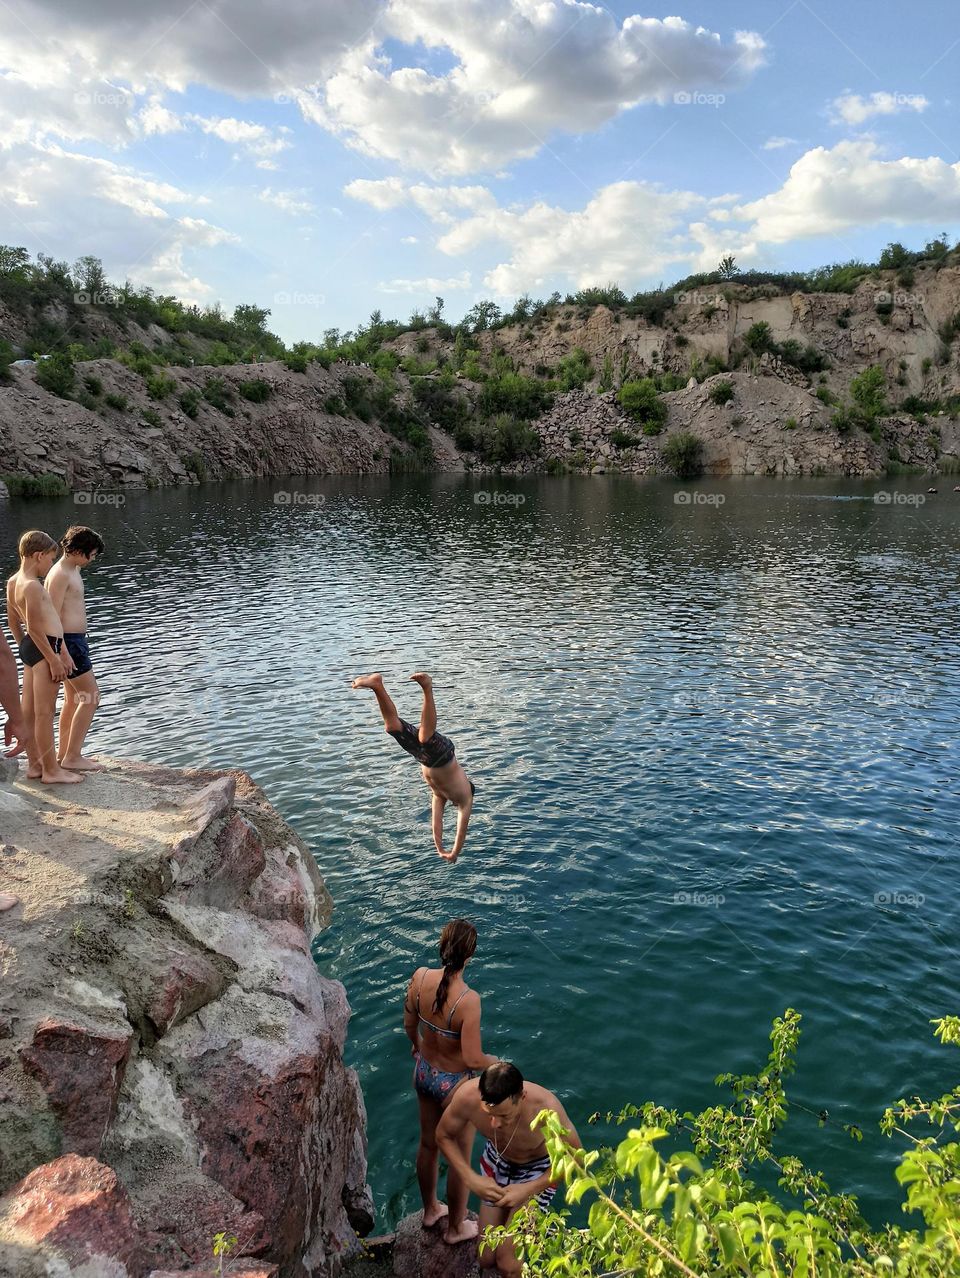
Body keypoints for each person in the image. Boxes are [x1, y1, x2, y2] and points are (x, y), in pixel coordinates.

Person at [437, 1061, 582, 1276]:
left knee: (508, 1264)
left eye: (504, 1116)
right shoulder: (468, 1096)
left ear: (521, 1097)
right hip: (496, 1161)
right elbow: (443, 1135)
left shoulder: (546, 1109)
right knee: (486, 1257)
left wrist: (529, 1189)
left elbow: (577, 1160)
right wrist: (470, 1179)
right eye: (489, 1113)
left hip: (537, 1171)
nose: (494, 1124)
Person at [403, 919, 499, 1244]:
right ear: (470, 956)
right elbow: (472, 1059)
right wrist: (495, 1062)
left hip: (424, 1073)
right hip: (455, 1086)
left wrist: (418, 1045)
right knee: (459, 1160)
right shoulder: (469, 1000)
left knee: (428, 1144)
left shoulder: (420, 977)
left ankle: (431, 1210)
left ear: (442, 947)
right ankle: (456, 1229)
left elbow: (408, 1024)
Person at [352, 672, 475, 861]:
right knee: (425, 736)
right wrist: (455, 852)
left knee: (392, 726)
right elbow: (462, 829)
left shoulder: (439, 794)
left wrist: (440, 848)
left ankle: (377, 685)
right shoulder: (466, 798)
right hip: (443, 754)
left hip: (424, 758)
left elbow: (436, 822)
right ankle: (427, 687)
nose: (453, 804)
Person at [6, 530, 82, 785]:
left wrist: (25, 648)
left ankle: (35, 765)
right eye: (50, 559)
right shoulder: (32, 585)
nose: (51, 564)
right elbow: (36, 628)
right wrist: (53, 658)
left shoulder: (13, 581)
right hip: (45, 648)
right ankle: (51, 770)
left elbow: (13, 622)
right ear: (38, 555)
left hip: (32, 648)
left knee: (29, 712)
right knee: (45, 714)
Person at [46, 525, 105, 772]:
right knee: (91, 697)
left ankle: (64, 754)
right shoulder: (60, 574)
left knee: (72, 699)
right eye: (92, 554)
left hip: (76, 641)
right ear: (79, 551)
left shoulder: (73, 569)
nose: (92, 559)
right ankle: (73, 756)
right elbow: (50, 615)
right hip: (68, 643)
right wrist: (62, 652)